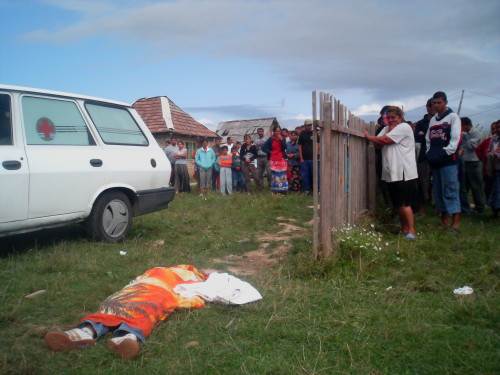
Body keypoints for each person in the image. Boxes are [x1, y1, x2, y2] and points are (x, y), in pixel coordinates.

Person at [44, 265, 208, 359]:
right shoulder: (159, 270)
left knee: (146, 309)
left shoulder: (189, 277)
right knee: (114, 304)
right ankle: (83, 332)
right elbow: (136, 280)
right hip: (137, 289)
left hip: (160, 291)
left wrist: (191, 299)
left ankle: (125, 339)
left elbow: (191, 291)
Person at [364, 106, 418, 239]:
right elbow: (378, 144)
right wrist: (377, 139)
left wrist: (369, 137)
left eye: (394, 117)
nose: (391, 120)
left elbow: (385, 140)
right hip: (392, 172)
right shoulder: (386, 129)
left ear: (400, 117)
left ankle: (411, 231)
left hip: (404, 171)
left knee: (405, 204)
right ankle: (404, 229)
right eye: (388, 118)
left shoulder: (404, 127)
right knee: (398, 203)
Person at [425, 91, 462, 231]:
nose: (436, 105)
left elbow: (455, 139)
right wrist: (429, 153)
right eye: (434, 103)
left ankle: (456, 224)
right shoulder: (433, 120)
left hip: (448, 161)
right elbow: (428, 139)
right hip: (435, 161)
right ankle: (444, 221)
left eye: (439, 102)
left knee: (451, 189)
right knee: (439, 190)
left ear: (445, 102)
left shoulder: (453, 117)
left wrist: (444, 152)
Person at [460, 117, 486, 213]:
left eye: (461, 126)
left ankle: (480, 206)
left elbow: (471, 147)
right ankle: (464, 206)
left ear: (466, 125)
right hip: (465, 162)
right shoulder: (467, 134)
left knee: (476, 186)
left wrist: (464, 136)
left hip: (474, 162)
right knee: (464, 185)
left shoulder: (476, 133)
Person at [413, 98, 435, 215]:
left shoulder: (441, 121)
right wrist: (428, 136)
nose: (434, 107)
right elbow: (416, 137)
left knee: (437, 182)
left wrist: (425, 135)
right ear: (427, 107)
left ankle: (438, 207)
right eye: (432, 105)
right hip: (423, 155)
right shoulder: (421, 123)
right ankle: (421, 207)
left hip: (437, 155)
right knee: (421, 181)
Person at [262, 125, 288, 194]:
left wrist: (281, 140)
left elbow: (285, 147)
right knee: (275, 175)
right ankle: (275, 190)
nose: (278, 132)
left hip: (281, 158)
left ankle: (283, 190)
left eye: (279, 131)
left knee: (282, 174)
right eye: (276, 131)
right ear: (274, 132)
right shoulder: (271, 139)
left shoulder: (283, 139)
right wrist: (270, 152)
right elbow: (263, 147)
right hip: (273, 158)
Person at [476, 121, 498, 200]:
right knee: (488, 187)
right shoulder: (488, 140)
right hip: (488, 170)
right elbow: (478, 149)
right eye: (492, 129)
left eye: (496, 128)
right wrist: (483, 158)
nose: (494, 130)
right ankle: (490, 203)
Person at [298, 119, 320, 195]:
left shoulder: (315, 134)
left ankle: (317, 190)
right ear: (305, 126)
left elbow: (318, 145)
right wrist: (301, 158)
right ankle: (307, 190)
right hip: (304, 159)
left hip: (313, 158)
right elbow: (300, 147)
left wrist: (316, 155)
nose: (310, 126)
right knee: (305, 175)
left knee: (316, 175)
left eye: (311, 125)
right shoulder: (302, 135)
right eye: (308, 125)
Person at [486, 121, 500, 218]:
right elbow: (489, 150)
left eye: (499, 127)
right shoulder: (494, 139)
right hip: (495, 169)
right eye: (496, 127)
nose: (497, 129)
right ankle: (494, 213)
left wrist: (497, 154)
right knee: (494, 191)